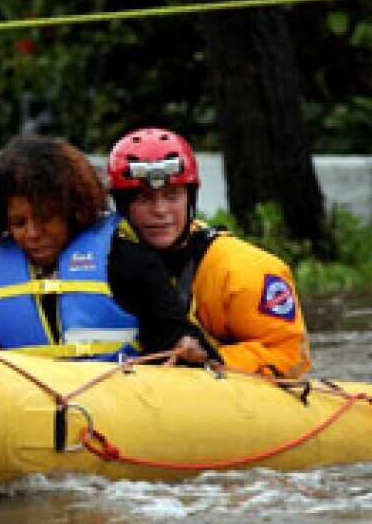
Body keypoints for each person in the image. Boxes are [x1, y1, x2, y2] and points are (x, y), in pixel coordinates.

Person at [0, 134, 209, 364]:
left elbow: (176, 331)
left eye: (46, 218)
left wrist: (189, 345)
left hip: (116, 404)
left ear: (74, 211)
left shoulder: (126, 262)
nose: (32, 233)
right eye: (19, 223)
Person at [107, 127, 311, 377]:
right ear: (123, 206)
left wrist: (210, 359)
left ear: (190, 200)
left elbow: (289, 356)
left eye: (172, 195)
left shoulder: (245, 270)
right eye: (144, 198)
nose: (159, 210)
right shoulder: (100, 263)